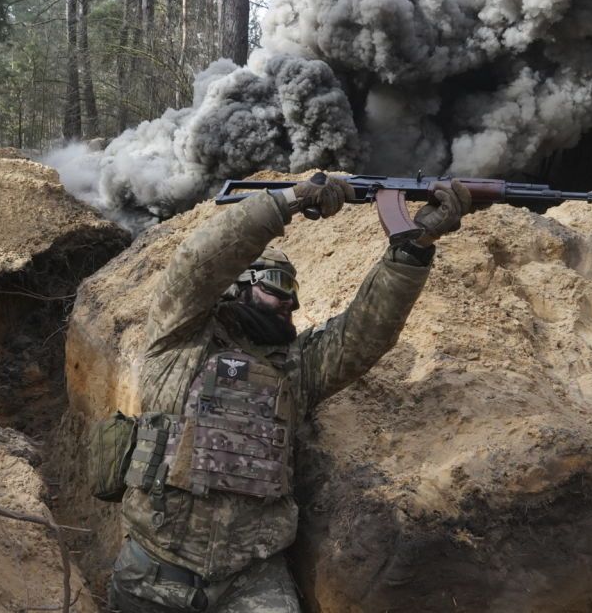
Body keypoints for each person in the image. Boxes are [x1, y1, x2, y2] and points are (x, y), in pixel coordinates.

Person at [108, 175, 472, 612]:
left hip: (253, 580)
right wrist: (287, 202)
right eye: (279, 284)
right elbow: (197, 263)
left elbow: (365, 333)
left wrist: (416, 247)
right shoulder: (178, 338)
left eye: (295, 292)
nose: (290, 302)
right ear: (238, 283)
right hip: (153, 569)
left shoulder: (297, 367)